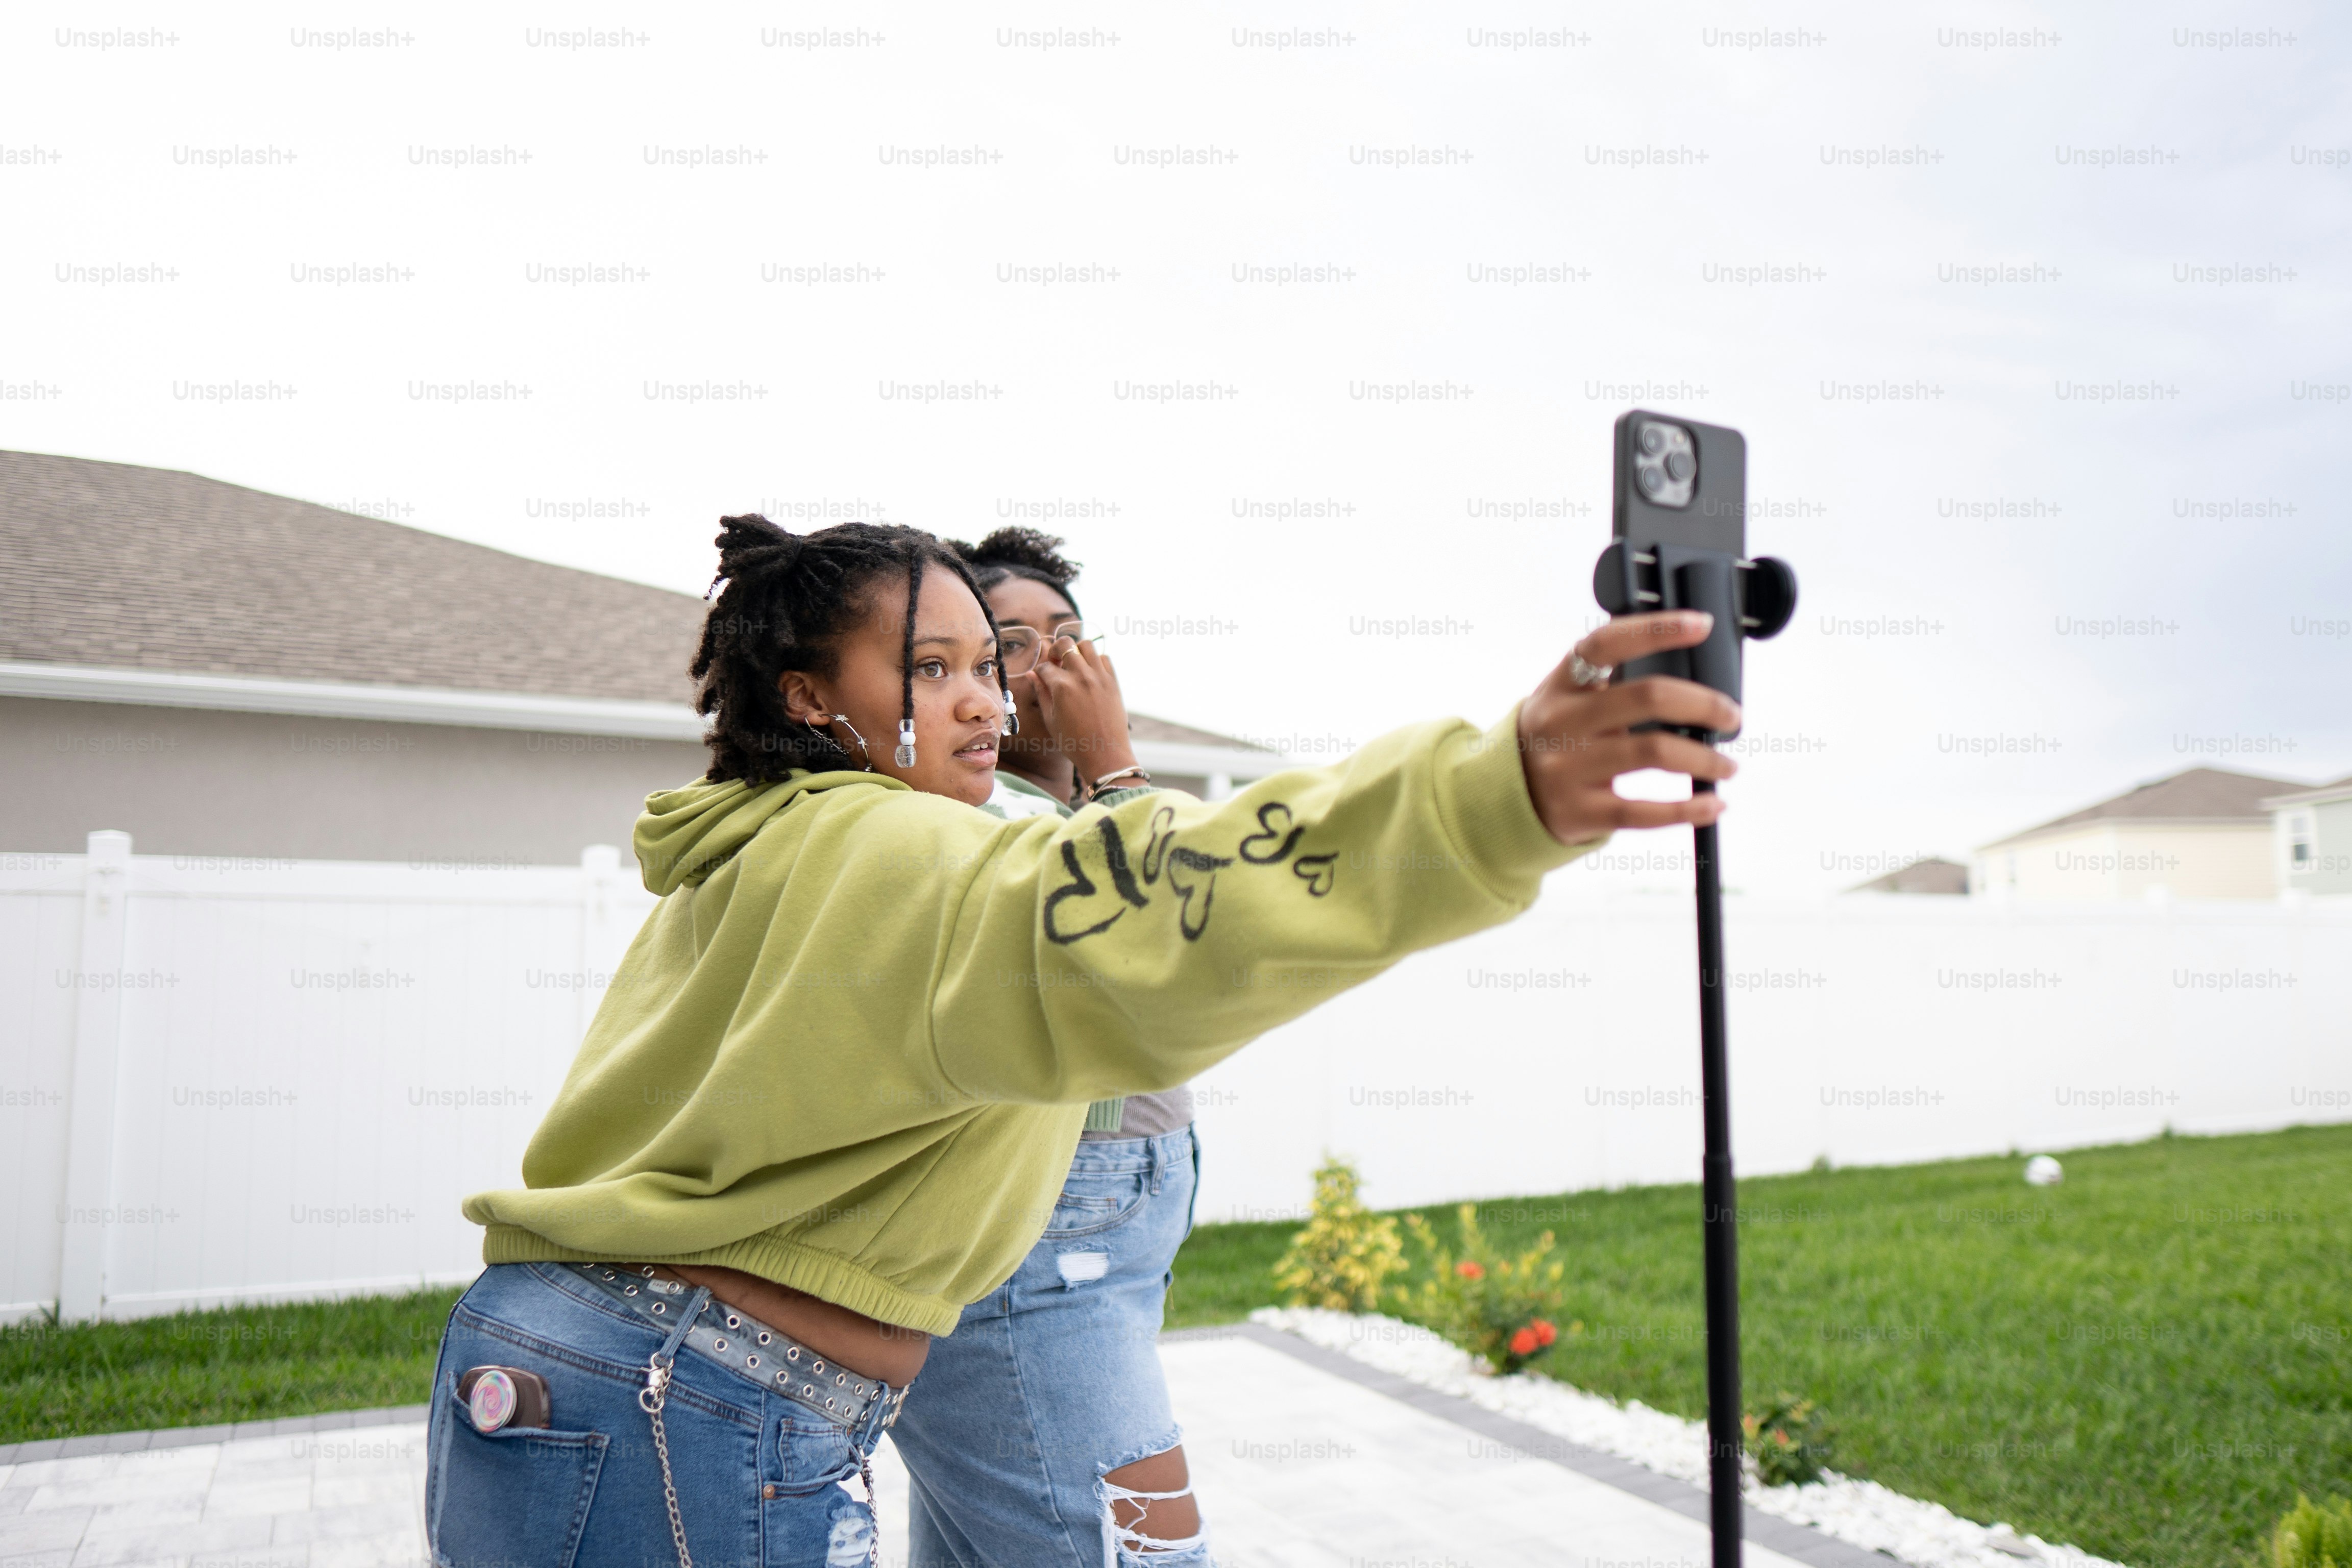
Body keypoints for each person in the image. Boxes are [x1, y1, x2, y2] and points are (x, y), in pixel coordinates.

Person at [428, 516, 1737, 1568]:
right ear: (809, 692)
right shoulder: (911, 850)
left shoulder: (763, 847)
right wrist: (1490, 795)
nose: (983, 697)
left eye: (983, 664)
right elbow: (1154, 928)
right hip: (688, 1400)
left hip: (572, 1358)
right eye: (926, 667)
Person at [883, 528, 1209, 1565]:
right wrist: (1114, 758)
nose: (1054, 662)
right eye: (1010, 643)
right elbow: (1160, 941)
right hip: (1044, 1258)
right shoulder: (983, 819)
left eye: (1071, 635)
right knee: (1142, 1553)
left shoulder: (1063, 815)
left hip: (1095, 1245)